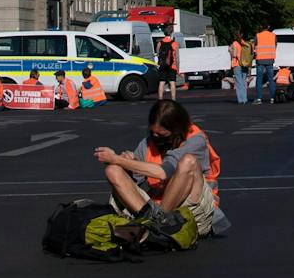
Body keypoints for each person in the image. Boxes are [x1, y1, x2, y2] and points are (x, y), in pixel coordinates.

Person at [95, 99, 230, 244]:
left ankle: (155, 226)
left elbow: (163, 172)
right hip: (154, 209)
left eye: (162, 135)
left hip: (194, 212)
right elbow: (134, 182)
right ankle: (155, 226)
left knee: (188, 161)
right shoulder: (148, 143)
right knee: (113, 170)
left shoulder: (196, 140)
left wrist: (117, 159)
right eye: (153, 133)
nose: (156, 138)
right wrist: (126, 163)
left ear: (177, 130)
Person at [253, 28, 276, 105]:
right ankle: (272, 98)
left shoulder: (258, 35)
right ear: (268, 27)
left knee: (259, 79)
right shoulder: (273, 35)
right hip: (270, 59)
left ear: (261, 27)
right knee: (271, 80)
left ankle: (259, 98)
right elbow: (275, 46)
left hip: (260, 60)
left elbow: (254, 46)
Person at [156, 32, 180, 101]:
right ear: (171, 35)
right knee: (172, 82)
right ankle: (173, 99)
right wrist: (178, 69)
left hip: (162, 65)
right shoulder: (174, 43)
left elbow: (158, 54)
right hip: (172, 66)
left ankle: (160, 99)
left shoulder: (159, 43)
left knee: (162, 82)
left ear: (164, 34)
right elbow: (177, 57)